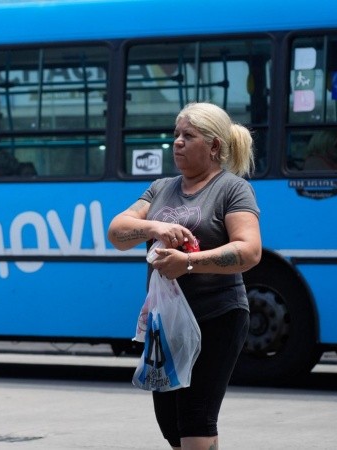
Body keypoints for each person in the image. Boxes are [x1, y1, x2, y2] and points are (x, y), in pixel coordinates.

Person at [107, 102, 262, 450]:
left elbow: (249, 251)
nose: (176, 142)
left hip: (217, 315)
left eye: (188, 136)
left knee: (196, 421)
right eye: (176, 134)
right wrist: (154, 225)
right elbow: (117, 232)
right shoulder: (161, 188)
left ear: (214, 146)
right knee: (172, 427)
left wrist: (188, 263)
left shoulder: (231, 189)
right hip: (167, 322)